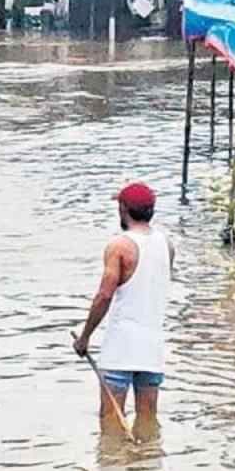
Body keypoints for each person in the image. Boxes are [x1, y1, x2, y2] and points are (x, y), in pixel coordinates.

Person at [73, 182, 175, 440]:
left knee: (110, 421)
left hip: (121, 349)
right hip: (152, 348)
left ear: (123, 209)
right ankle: (146, 470)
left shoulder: (119, 246)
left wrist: (85, 338)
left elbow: (104, 296)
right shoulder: (167, 244)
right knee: (148, 419)